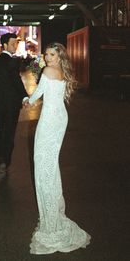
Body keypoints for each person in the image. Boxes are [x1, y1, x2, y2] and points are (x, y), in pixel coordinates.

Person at [26, 43, 91, 254]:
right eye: (46, 54)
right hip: (60, 118)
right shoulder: (62, 70)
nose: (47, 57)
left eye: (52, 54)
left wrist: (28, 99)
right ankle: (52, 209)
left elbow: (38, 93)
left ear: (59, 55)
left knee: (43, 163)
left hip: (50, 121)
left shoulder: (47, 70)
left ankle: (51, 215)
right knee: (50, 164)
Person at [0, 33, 28, 179]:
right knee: (9, 133)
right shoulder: (13, 62)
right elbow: (17, 82)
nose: (15, 46)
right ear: (4, 45)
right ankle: (5, 161)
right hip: (12, 105)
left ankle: (1, 158)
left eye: (16, 43)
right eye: (13, 43)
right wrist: (24, 96)